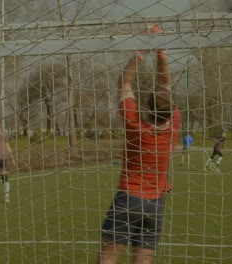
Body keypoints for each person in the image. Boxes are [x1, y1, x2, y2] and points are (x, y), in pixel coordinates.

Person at [98, 25, 181, 264]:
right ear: (171, 110)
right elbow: (165, 82)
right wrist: (162, 50)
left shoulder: (134, 123)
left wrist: (140, 52)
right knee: (144, 259)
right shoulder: (174, 125)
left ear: (146, 106)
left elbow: (124, 82)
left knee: (108, 255)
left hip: (128, 198)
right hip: (156, 203)